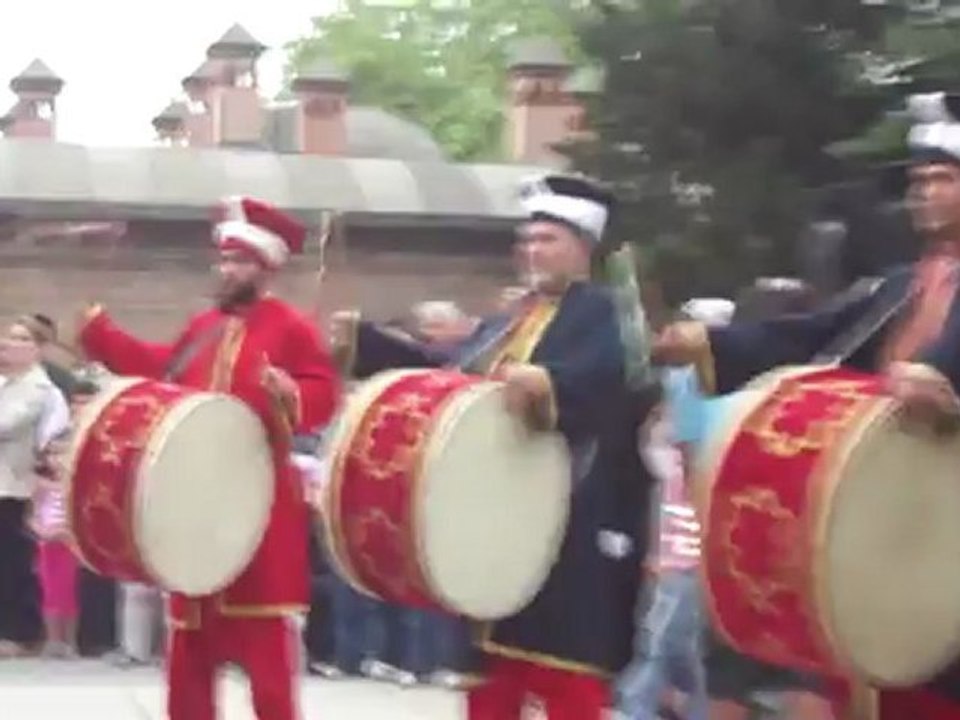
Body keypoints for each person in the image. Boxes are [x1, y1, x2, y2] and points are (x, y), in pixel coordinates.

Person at [652, 91, 960, 720]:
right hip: (888, 524)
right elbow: (809, 336)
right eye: (919, 180)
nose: (923, 192)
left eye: (943, 178)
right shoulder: (902, 284)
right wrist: (711, 341)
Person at [334, 174, 652, 720]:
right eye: (525, 241)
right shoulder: (514, 317)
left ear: (583, 247)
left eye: (546, 240)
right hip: (504, 521)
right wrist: (368, 343)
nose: (530, 251)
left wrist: (550, 384)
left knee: (565, 678)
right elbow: (453, 377)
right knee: (491, 683)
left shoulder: (610, 313)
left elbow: (621, 382)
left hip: (573, 518)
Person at [75, 196, 341, 720]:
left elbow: (323, 395)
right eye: (223, 260)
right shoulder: (203, 327)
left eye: (240, 261)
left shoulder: (291, 327)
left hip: (259, 512)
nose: (227, 270)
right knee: (189, 656)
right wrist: (103, 334)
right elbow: (159, 368)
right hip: (196, 511)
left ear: (264, 268)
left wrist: (291, 393)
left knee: (266, 661)